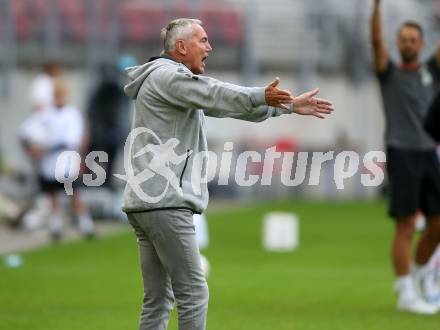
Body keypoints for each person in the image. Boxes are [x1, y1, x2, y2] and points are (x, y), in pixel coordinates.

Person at [122, 18, 333, 330]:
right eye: (203, 40)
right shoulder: (169, 76)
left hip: (146, 202)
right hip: (165, 201)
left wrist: (284, 106)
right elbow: (216, 93)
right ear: (181, 47)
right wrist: (263, 94)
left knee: (158, 300)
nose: (210, 47)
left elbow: (222, 105)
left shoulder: (162, 79)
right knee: (193, 293)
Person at [371, 0, 440, 314]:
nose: (408, 43)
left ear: (422, 44)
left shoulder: (431, 71)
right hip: (401, 152)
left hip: (429, 152)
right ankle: (405, 292)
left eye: (413, 39)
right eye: (404, 39)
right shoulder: (389, 73)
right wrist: (376, 6)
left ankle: (420, 273)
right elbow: (375, 42)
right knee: (406, 226)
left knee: (437, 223)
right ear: (397, 43)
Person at [22, 80, 95, 240]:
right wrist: (32, 148)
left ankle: (85, 224)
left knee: (73, 193)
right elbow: (27, 132)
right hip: (49, 161)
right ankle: (56, 227)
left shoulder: (72, 113)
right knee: (52, 194)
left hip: (67, 159)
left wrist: (81, 158)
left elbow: (78, 138)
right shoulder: (45, 114)